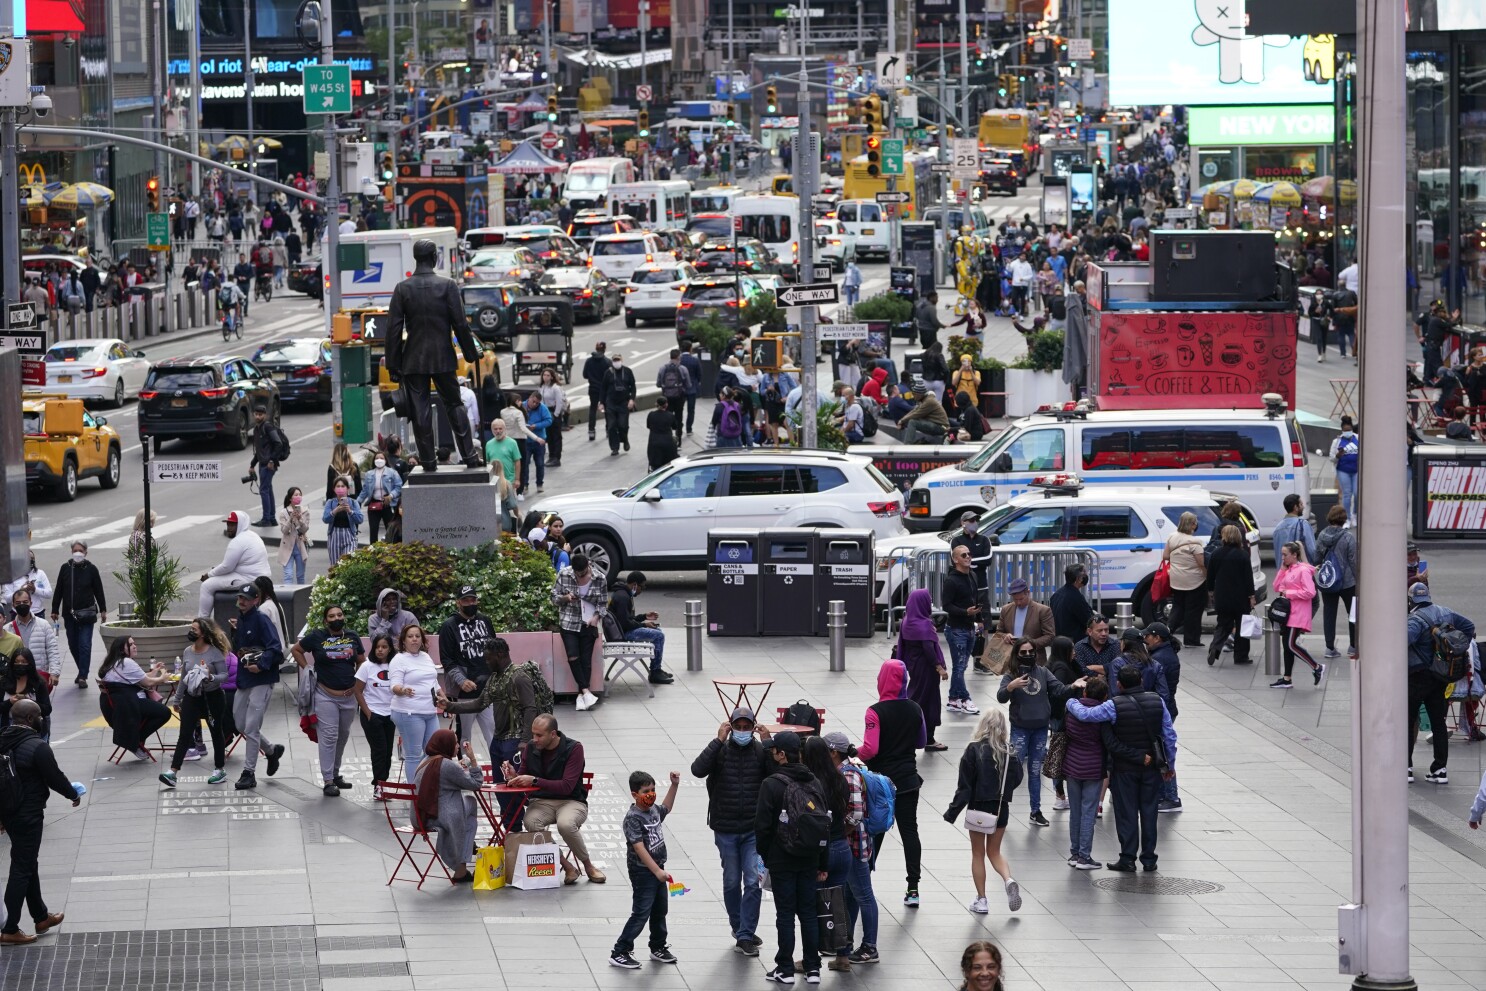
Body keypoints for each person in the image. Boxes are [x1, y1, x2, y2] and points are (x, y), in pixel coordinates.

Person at [1066, 665, 1178, 872]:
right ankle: (1149, 858)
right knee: (1149, 811)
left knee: (1126, 813)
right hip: (1152, 766)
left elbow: (1086, 715)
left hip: (1125, 768)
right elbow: (1169, 735)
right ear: (1142, 681)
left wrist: (1070, 701)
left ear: (1118, 684)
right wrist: (1169, 764)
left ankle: (1127, 858)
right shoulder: (1157, 701)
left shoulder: (1113, 706)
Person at [385, 238, 483, 470]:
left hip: (414, 359)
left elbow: (393, 331)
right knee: (454, 404)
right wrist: (470, 353)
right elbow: (460, 324)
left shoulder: (402, 288)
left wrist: (393, 365)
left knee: (420, 410)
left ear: (416, 259)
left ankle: (428, 461)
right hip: (442, 357)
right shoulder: (447, 285)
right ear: (434, 258)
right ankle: (469, 456)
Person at [691, 707, 771, 956]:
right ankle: (738, 927)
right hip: (725, 828)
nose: (743, 731)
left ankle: (746, 933)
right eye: (739, 727)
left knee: (752, 881)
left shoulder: (760, 750)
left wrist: (768, 743)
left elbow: (777, 775)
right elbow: (697, 769)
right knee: (730, 880)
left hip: (752, 829)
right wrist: (718, 740)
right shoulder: (721, 750)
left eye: (748, 727)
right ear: (731, 726)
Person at [0, 699, 78, 944]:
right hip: (28, 814)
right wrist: (73, 794)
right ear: (32, 720)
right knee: (22, 868)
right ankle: (10, 928)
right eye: (39, 716)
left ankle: (41, 917)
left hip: (8, 812)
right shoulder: (37, 746)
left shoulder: (2, 739)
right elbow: (54, 777)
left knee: (26, 860)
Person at [754, 730, 829, 985]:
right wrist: (822, 861)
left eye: (774, 750)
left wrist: (766, 856)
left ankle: (785, 968)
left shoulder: (771, 784)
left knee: (785, 914)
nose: (773, 753)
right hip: (809, 857)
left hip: (782, 858)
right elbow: (824, 823)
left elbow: (762, 827)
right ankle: (813, 968)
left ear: (782, 754)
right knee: (807, 912)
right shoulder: (814, 782)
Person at [503, 713, 606, 883]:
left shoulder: (573, 748)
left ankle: (588, 866)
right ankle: (567, 866)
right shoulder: (531, 747)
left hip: (572, 800)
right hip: (541, 802)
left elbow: (567, 786)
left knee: (565, 824)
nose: (534, 739)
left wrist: (535, 780)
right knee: (530, 822)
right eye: (533, 734)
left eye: (539, 735)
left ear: (553, 734)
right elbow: (524, 775)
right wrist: (514, 776)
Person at [945, 708, 1025, 914]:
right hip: (1001, 808)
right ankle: (1008, 879)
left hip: (978, 809)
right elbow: (1016, 779)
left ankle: (982, 900)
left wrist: (952, 812)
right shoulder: (1010, 752)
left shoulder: (973, 749)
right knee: (995, 852)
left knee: (978, 854)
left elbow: (965, 786)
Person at [860, 659, 926, 908]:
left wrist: (849, 751)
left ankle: (864, 880)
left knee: (874, 831)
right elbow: (921, 742)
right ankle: (913, 888)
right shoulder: (915, 709)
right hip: (908, 782)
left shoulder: (874, 711)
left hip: (880, 785)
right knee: (910, 832)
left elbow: (870, 749)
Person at [997, 636, 1080, 828]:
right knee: (1012, 770)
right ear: (1017, 654)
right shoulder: (1011, 675)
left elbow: (1059, 689)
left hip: (1040, 729)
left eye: (1030, 652)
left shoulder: (1043, 672)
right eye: (1023, 652)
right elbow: (1001, 697)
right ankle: (1001, 807)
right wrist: (1010, 687)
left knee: (1035, 772)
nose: (1028, 655)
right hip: (1020, 729)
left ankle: (1035, 811)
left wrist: (1073, 686)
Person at [607, 769, 682, 969]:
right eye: (646, 791)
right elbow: (638, 847)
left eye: (653, 789)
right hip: (643, 872)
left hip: (658, 868)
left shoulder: (654, 810)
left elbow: (666, 807)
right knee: (641, 912)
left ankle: (658, 946)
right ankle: (620, 950)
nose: (651, 794)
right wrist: (656, 871)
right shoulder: (633, 817)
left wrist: (674, 785)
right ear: (634, 794)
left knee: (660, 910)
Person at [293, 605, 366, 796]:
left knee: (342, 736)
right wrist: (307, 668)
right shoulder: (317, 636)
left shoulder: (352, 636)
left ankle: (335, 773)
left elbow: (361, 660)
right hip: (325, 694)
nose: (336, 618)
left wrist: (358, 679)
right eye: (332, 616)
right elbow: (296, 650)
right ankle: (327, 780)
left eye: (340, 615)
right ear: (326, 620)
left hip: (348, 696)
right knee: (329, 736)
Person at [1406, 583, 1474, 785]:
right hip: (1440, 676)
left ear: (1411, 600)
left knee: (1408, 721)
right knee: (1438, 723)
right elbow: (1469, 627)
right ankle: (1439, 770)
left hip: (1417, 676)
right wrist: (1456, 650)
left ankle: (1406, 768)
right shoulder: (1445, 612)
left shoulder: (1414, 619)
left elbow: (1402, 642)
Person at [820, 732, 879, 965]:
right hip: (852, 845)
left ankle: (870, 946)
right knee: (850, 896)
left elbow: (855, 814)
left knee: (864, 895)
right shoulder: (840, 773)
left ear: (834, 752)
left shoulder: (848, 775)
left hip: (854, 846)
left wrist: (839, 835)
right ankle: (846, 944)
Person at [158, 618, 232, 788]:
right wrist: (177, 698)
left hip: (212, 696)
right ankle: (173, 772)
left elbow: (224, 676)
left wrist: (210, 676)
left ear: (203, 633)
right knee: (185, 733)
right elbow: (184, 677)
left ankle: (219, 769)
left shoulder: (214, 652)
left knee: (216, 731)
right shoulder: (187, 652)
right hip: (192, 697)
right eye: (191, 628)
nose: (191, 632)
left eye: (194, 629)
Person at [229, 582, 285, 790]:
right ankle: (271, 751)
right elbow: (240, 649)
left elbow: (276, 650)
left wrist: (260, 665)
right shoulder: (242, 620)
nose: (241, 601)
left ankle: (248, 772)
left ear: (256, 600)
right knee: (240, 725)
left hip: (261, 679)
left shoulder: (261, 619)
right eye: (239, 598)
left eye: (245, 598)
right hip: (245, 679)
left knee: (251, 727)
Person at [413, 730, 484, 883]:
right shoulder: (446, 766)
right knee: (470, 803)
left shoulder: (425, 760)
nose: (458, 746)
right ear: (446, 745)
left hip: (419, 816)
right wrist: (472, 759)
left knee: (468, 803)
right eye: (455, 742)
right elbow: (476, 784)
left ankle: (464, 856)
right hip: (438, 816)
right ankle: (463, 859)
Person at [438, 586, 496, 757]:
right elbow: (447, 660)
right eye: (466, 600)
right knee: (464, 735)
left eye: (473, 600)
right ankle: (466, 770)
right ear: (458, 602)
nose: (470, 603)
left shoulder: (485, 621)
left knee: (492, 730)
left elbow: (495, 649)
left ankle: (499, 769)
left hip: (487, 689)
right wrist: (461, 680)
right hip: (464, 693)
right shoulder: (449, 626)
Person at [97, 634, 173, 760]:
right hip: (127, 704)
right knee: (164, 712)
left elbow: (141, 677)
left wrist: (154, 672)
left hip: (117, 704)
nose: (134, 646)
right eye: (130, 644)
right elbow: (148, 682)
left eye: (134, 643)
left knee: (156, 710)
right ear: (122, 649)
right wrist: (162, 678)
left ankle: (135, 741)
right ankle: (136, 741)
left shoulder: (115, 662)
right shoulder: (127, 662)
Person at [1062, 675, 1111, 868]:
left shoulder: (1072, 709)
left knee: (1075, 811)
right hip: (1093, 766)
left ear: (1085, 691)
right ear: (1105, 696)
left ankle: (1074, 853)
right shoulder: (1103, 715)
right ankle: (1084, 855)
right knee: (1088, 811)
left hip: (1072, 764)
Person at [552, 554, 607, 712]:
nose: (580, 576)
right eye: (577, 573)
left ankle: (581, 695)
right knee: (573, 656)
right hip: (569, 621)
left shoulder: (600, 578)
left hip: (588, 622)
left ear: (588, 565)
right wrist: (565, 598)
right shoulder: (564, 574)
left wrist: (596, 617)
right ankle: (586, 691)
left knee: (586, 660)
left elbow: (603, 603)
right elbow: (553, 597)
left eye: (582, 573)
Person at [897, 589, 949, 750]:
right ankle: (923, 738)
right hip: (927, 670)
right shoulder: (924, 624)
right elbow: (929, 649)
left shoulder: (907, 621)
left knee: (917, 697)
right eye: (929, 600)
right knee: (927, 702)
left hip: (914, 667)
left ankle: (922, 737)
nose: (930, 603)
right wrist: (940, 668)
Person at [389, 624, 440, 784]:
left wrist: (444, 699)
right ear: (403, 641)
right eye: (410, 636)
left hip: (430, 712)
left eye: (417, 636)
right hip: (409, 713)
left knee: (435, 751)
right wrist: (403, 690)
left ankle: (427, 784)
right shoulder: (399, 659)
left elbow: (434, 682)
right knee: (413, 754)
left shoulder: (425, 657)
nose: (414, 639)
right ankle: (414, 790)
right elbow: (394, 686)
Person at [51, 541, 105, 687]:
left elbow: (98, 590)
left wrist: (103, 609)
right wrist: (54, 609)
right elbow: (59, 590)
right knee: (73, 645)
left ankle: (82, 676)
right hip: (69, 615)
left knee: (85, 645)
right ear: (71, 551)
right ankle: (81, 669)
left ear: (86, 552)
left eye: (80, 550)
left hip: (86, 615)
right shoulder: (65, 568)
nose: (78, 553)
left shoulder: (92, 569)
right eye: (75, 550)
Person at [196, 511, 270, 617]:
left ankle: (202, 621)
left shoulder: (238, 541)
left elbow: (227, 567)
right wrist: (217, 570)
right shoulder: (253, 535)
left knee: (206, 586)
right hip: (258, 576)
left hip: (248, 578)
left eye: (232, 525)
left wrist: (209, 574)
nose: (229, 528)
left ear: (240, 525)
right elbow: (234, 564)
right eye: (228, 524)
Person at [1269, 541, 1322, 689]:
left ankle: (1317, 667)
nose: (1283, 557)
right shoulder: (1290, 569)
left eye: (1285, 555)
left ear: (1294, 555)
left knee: (1290, 645)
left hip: (1298, 614)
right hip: (1289, 613)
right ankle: (1287, 679)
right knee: (1287, 646)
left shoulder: (1303, 571)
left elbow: (1310, 592)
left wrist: (1289, 593)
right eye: (1282, 555)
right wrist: (1281, 570)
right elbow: (1275, 587)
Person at [608, 571, 671, 685]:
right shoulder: (623, 597)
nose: (642, 590)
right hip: (622, 634)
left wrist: (644, 617)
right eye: (642, 587)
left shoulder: (624, 594)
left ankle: (657, 669)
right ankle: (655, 672)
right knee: (658, 635)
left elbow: (628, 619)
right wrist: (644, 624)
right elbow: (625, 624)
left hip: (623, 630)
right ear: (635, 585)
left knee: (657, 632)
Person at [353, 634, 396, 798]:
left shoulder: (395, 665)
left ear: (390, 649)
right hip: (372, 714)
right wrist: (368, 713)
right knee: (380, 749)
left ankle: (383, 783)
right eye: (377, 646)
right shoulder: (367, 666)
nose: (380, 650)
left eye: (384, 647)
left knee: (388, 751)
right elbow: (357, 690)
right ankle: (379, 785)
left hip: (390, 715)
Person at [1206, 525, 1256, 666]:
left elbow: (1210, 576)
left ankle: (1215, 647)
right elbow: (1248, 578)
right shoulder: (1243, 555)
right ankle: (1241, 656)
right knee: (1242, 626)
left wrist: (1211, 592)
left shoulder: (1216, 554)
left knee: (1223, 624)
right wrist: (1251, 596)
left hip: (1222, 596)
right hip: (1240, 597)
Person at [940, 545, 981, 714]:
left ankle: (953, 699)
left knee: (962, 666)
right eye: (964, 555)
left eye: (969, 554)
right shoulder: (951, 580)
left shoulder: (972, 575)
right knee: (959, 666)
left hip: (970, 627)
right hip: (956, 629)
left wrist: (978, 618)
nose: (968, 557)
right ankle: (964, 699)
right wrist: (965, 612)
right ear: (955, 559)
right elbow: (947, 605)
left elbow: (975, 597)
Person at [1314, 504, 1358, 660]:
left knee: (1329, 612)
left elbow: (1317, 558)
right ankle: (1353, 646)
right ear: (1343, 519)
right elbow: (1353, 561)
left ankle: (1329, 647)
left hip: (1329, 580)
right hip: (1347, 582)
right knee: (1352, 613)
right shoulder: (1348, 537)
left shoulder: (1321, 536)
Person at [1162, 511, 1208, 648]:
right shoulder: (1196, 543)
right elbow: (1201, 563)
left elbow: (1165, 556)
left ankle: (1165, 633)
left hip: (1176, 578)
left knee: (1178, 607)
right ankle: (1191, 639)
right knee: (1193, 610)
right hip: (1195, 580)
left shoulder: (1172, 537)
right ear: (1193, 525)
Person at [996, 577, 1055, 665]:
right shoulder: (1006, 609)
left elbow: (1050, 636)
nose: (1018, 603)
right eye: (1015, 599)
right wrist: (1005, 636)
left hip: (1035, 659)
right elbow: (998, 632)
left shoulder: (1043, 610)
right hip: (1012, 660)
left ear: (1028, 592)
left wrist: (1029, 644)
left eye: (1021, 599)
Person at [9, 591, 60, 691]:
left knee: (41, 706)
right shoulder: (8, 628)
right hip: (17, 679)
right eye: (18, 603)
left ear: (31, 603)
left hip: (39, 677)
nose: (22, 605)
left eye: (25, 602)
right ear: (13, 605)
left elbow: (52, 649)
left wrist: (54, 673)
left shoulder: (44, 625)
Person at [249, 406, 290, 527]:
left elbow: (278, 443)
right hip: (263, 463)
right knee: (268, 489)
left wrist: (272, 460)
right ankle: (271, 518)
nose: (258, 416)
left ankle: (266, 518)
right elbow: (259, 450)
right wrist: (252, 465)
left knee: (264, 490)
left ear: (265, 415)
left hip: (268, 464)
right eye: (256, 414)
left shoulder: (267, 426)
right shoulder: (257, 428)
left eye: (260, 414)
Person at [0, 649, 50, 740]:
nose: (20, 664)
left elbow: (47, 709)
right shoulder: (4, 683)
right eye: (17, 662)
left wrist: (29, 702)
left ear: (30, 664)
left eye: (23, 662)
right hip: (9, 730)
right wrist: (9, 702)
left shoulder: (39, 683)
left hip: (35, 731)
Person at [359, 453, 403, 544]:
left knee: (390, 529)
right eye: (377, 458)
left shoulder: (392, 472)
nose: (379, 460)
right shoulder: (369, 474)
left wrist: (391, 496)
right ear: (374, 460)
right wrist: (357, 502)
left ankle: (390, 550)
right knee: (373, 530)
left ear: (385, 460)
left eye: (381, 458)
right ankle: (373, 551)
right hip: (374, 505)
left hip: (388, 504)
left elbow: (399, 487)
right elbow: (365, 490)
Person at [601, 351, 639, 455]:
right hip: (611, 403)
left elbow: (633, 387)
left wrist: (632, 399)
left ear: (621, 361)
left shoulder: (627, 371)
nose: (616, 362)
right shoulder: (608, 372)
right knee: (611, 425)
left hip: (623, 402)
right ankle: (614, 447)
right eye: (614, 360)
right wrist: (601, 402)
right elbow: (603, 388)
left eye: (618, 360)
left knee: (623, 425)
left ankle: (625, 439)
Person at [321, 475, 364, 566]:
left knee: (348, 564)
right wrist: (335, 511)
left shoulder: (353, 502)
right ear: (334, 489)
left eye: (343, 486)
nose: (340, 488)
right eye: (338, 486)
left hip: (349, 535)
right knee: (335, 565)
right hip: (334, 536)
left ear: (347, 488)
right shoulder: (330, 502)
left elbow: (360, 519)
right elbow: (325, 519)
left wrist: (350, 511)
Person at [1272, 494, 1317, 569]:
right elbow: (1312, 550)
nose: (1303, 507)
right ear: (1296, 507)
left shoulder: (1277, 528)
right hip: (1299, 573)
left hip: (1283, 573)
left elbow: (1277, 554)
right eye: (1301, 504)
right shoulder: (1303, 524)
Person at [1050, 564, 1093, 642]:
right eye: (1085, 574)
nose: (1086, 576)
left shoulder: (1057, 594)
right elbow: (1089, 620)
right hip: (1074, 642)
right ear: (1078, 579)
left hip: (1059, 641)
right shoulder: (1076, 598)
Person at [276, 488, 311, 584]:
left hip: (300, 546)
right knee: (288, 575)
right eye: (296, 495)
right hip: (287, 546)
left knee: (300, 576)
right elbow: (284, 531)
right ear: (290, 498)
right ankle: (288, 597)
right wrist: (290, 519)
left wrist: (300, 519)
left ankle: (300, 597)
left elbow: (304, 530)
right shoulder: (283, 512)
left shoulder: (305, 511)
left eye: (300, 494)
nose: (298, 496)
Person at [1329, 416, 1360, 520]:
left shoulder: (1358, 438)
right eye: (1345, 430)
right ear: (1342, 430)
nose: (1348, 432)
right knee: (1347, 494)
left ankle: (1355, 513)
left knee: (1357, 493)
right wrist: (1338, 455)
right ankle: (1347, 517)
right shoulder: (1336, 441)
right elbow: (1331, 458)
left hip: (1356, 470)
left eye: (1349, 430)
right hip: (1343, 470)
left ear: (1352, 429)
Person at [582, 343, 611, 440]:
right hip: (605, 389)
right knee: (607, 409)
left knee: (593, 409)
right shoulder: (607, 362)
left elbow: (585, 375)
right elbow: (610, 377)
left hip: (593, 388)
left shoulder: (589, 361)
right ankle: (608, 429)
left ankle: (591, 431)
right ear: (605, 349)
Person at [646, 398, 679, 470]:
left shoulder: (651, 415)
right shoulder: (670, 415)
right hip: (668, 442)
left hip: (654, 443)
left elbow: (648, 426)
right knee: (669, 466)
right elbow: (675, 427)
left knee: (656, 467)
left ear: (656, 404)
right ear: (666, 405)